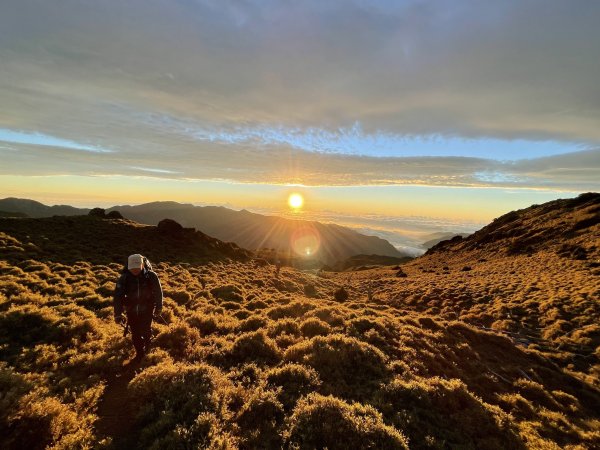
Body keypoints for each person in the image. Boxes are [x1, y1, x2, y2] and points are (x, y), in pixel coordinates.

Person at [113, 254, 163, 361]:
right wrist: (117, 313)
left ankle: (147, 348)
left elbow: (158, 292)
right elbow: (118, 296)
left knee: (146, 330)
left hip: (147, 308)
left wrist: (159, 307)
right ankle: (139, 354)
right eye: (132, 269)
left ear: (142, 265)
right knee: (135, 333)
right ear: (128, 267)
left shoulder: (151, 276)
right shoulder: (124, 278)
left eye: (137, 268)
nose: (135, 270)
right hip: (131, 310)